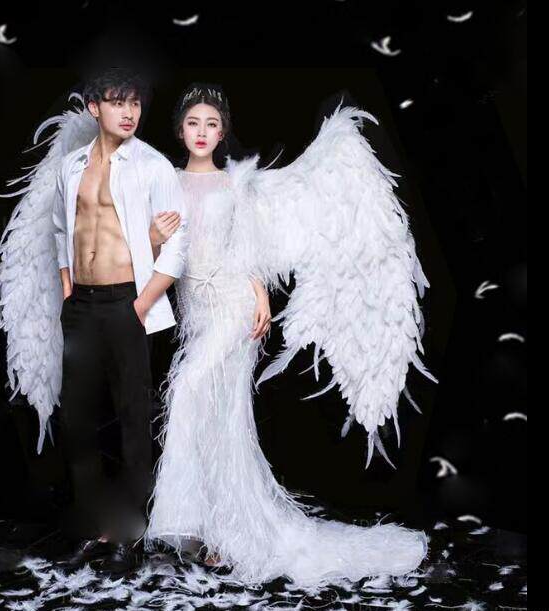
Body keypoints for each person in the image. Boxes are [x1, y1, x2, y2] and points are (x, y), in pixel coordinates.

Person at [143, 83, 436, 588]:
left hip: (235, 307)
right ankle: (215, 532)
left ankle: (203, 527)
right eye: (194, 123)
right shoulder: (163, 182)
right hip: (197, 311)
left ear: (222, 132)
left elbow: (248, 249)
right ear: (180, 130)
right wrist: (152, 238)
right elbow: (151, 253)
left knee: (189, 392)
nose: (202, 132)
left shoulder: (236, 185)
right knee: (217, 418)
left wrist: (260, 296)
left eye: (212, 124)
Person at [0, 68, 188, 564]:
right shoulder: (71, 166)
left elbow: (177, 245)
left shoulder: (152, 165)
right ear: (94, 108)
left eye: (135, 103)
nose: (129, 112)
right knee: (78, 419)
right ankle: (94, 526)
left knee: (133, 418)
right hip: (82, 305)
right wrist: (68, 284)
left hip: (128, 302)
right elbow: (60, 227)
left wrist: (142, 303)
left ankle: (131, 532)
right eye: (117, 102)